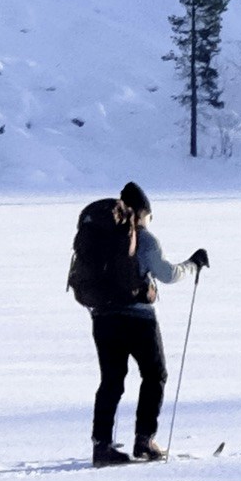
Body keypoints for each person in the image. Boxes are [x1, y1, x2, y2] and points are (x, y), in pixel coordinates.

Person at [71, 184, 174, 463]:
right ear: (141, 213)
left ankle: (101, 446)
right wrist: (192, 265)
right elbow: (166, 274)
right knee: (154, 375)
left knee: (111, 381)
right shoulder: (145, 239)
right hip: (139, 319)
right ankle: (145, 441)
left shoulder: (101, 235)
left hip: (103, 317)